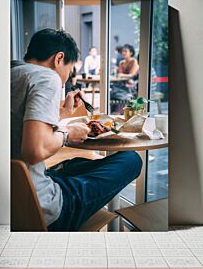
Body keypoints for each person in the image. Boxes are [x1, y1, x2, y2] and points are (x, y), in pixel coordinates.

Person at [11, 28, 142, 231]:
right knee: (131, 159)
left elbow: (20, 126)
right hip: (45, 210)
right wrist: (68, 133)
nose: (66, 78)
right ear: (59, 58)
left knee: (75, 163)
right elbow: (35, 150)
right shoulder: (46, 77)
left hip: (10, 198)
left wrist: (62, 114)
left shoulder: (9, 73)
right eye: (69, 70)